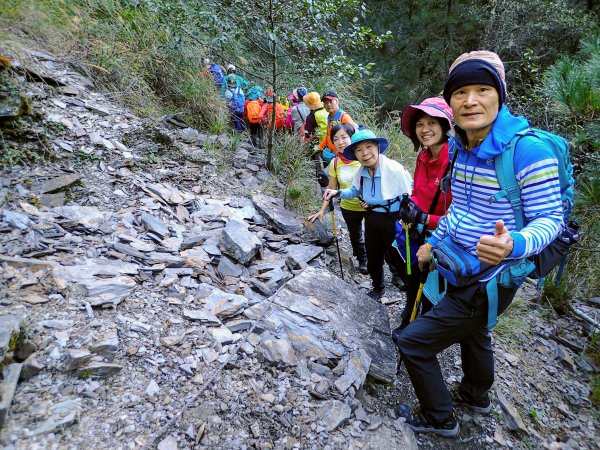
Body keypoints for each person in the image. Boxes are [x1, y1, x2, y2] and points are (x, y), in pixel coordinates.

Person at [394, 51, 564, 437]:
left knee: (413, 343)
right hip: (459, 264)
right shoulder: (462, 148)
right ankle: (476, 396)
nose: (471, 100)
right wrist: (433, 243)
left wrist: (515, 243)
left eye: (482, 89)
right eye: (460, 92)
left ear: (499, 96)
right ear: (450, 102)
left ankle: (440, 419)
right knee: (476, 333)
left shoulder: (527, 150)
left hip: (492, 277)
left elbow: (551, 218)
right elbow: (461, 211)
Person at [323, 129, 412, 299]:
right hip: (372, 217)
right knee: (373, 256)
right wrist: (338, 193)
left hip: (394, 220)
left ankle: (409, 293)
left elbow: (409, 195)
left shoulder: (394, 170)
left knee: (398, 258)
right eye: (358, 150)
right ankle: (378, 288)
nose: (365, 153)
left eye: (369, 147)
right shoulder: (361, 172)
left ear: (377, 147)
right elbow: (355, 190)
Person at [394, 97, 453, 331]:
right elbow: (418, 191)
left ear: (444, 125)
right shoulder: (423, 156)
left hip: (442, 237)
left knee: (430, 290)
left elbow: (460, 214)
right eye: (419, 124)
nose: (424, 129)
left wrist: (425, 219)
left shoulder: (455, 160)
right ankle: (409, 318)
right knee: (413, 280)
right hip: (419, 232)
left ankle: (421, 332)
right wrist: (411, 208)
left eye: (431, 123)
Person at [308, 123, 368, 274]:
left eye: (344, 137)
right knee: (356, 236)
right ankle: (363, 261)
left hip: (371, 206)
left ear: (352, 138)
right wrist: (322, 211)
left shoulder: (364, 157)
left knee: (377, 236)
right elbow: (331, 189)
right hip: (348, 206)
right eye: (335, 139)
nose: (340, 142)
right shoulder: (335, 163)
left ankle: (393, 270)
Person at [319, 92, 358, 165]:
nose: (328, 105)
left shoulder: (344, 117)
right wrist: (320, 146)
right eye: (325, 103)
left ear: (337, 101)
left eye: (330, 102)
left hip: (342, 156)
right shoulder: (330, 117)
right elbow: (329, 135)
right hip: (332, 153)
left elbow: (353, 137)